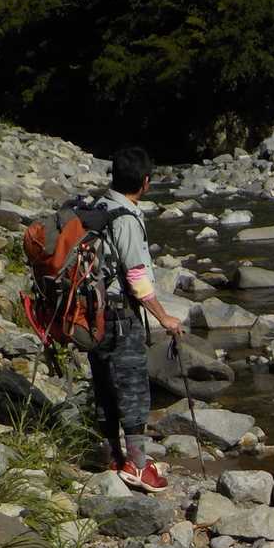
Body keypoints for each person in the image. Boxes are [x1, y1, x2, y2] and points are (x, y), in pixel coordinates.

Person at [90, 145, 186, 493]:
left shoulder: (97, 207)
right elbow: (136, 278)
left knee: (104, 384)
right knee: (132, 389)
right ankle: (138, 466)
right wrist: (164, 317)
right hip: (119, 314)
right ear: (145, 182)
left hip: (92, 312)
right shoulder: (126, 218)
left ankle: (111, 455)